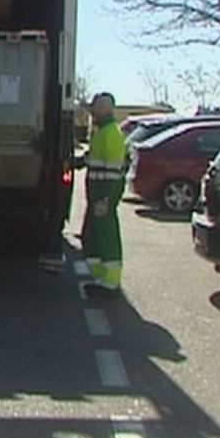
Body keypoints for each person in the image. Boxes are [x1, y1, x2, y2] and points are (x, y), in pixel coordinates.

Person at [81, 92, 126, 297]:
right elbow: (94, 160)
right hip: (97, 193)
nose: (94, 108)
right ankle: (100, 277)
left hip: (104, 193)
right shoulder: (100, 132)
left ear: (108, 108)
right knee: (91, 235)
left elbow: (114, 172)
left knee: (106, 235)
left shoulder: (111, 134)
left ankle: (110, 281)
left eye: (98, 105)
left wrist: (106, 199)